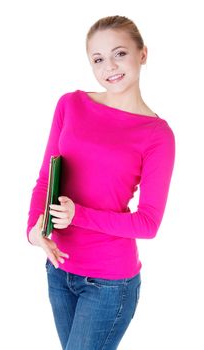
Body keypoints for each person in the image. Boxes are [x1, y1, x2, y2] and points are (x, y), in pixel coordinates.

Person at [26, 15, 176, 350]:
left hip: (108, 282)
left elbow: (148, 223)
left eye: (119, 53)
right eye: (98, 59)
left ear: (143, 54)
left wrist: (78, 215)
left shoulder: (157, 135)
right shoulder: (71, 105)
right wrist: (34, 232)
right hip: (59, 269)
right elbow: (45, 180)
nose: (109, 66)